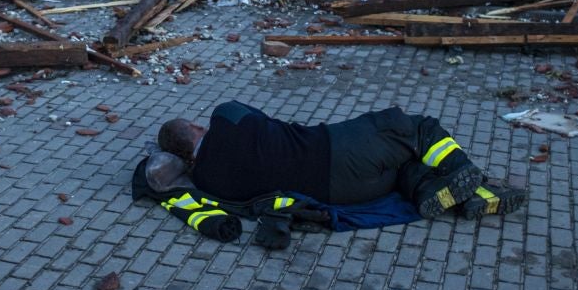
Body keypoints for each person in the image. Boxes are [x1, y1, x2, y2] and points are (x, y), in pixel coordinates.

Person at [156, 100, 523, 220]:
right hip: (336, 150)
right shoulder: (223, 118)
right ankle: (460, 170)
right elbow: (259, 115)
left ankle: (459, 195)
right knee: (413, 129)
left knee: (402, 167)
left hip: (341, 195)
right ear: (195, 127)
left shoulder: (206, 182)